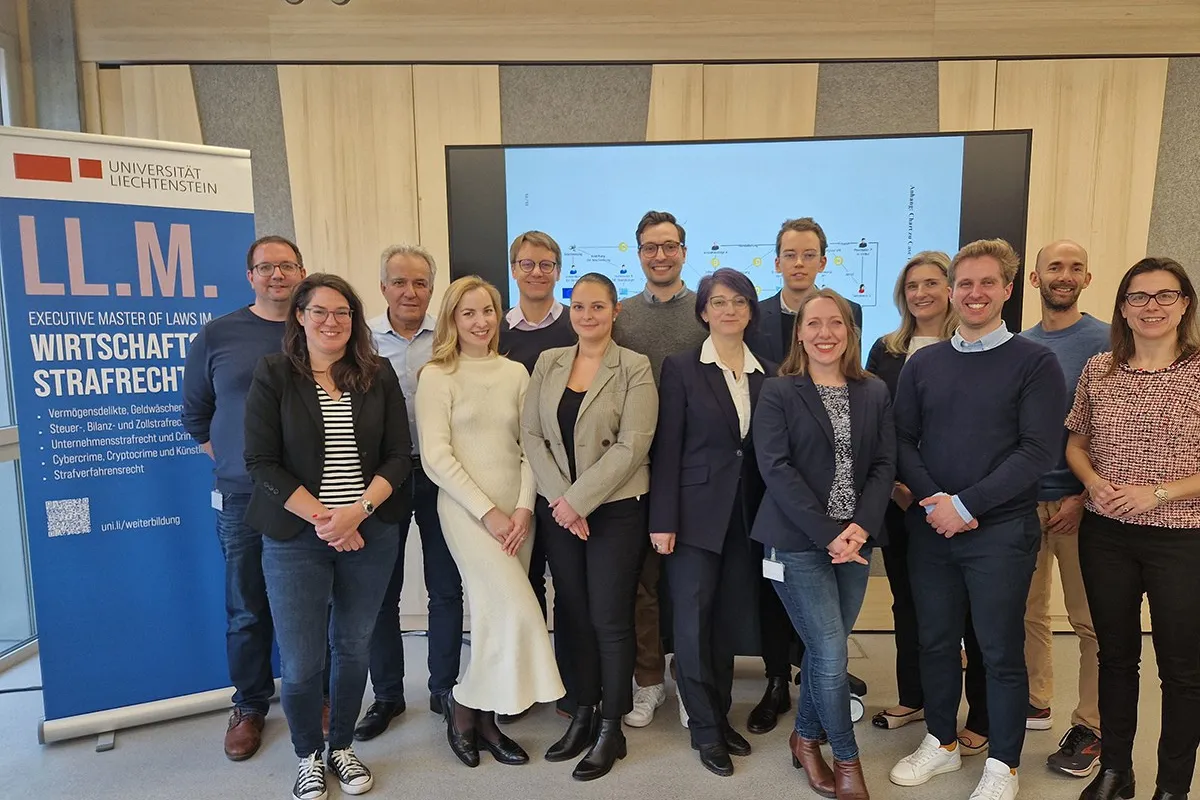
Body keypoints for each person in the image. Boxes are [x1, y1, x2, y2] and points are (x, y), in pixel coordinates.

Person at [889, 239, 1065, 800]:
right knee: (936, 642)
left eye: (987, 283)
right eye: (964, 283)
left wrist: (965, 506)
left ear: (1008, 290)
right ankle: (940, 743)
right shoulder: (926, 362)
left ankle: (1003, 765)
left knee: (998, 650)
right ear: (951, 292)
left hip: (1001, 533)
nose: (975, 293)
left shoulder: (1035, 363)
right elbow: (901, 439)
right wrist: (936, 502)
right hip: (932, 528)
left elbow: (1036, 452)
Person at [243, 273, 412, 800]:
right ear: (300, 316)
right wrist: (327, 521)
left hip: (370, 531)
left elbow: (398, 456)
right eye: (320, 311)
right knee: (300, 657)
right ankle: (307, 755)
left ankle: (341, 746)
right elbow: (261, 463)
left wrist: (355, 515)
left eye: (342, 313)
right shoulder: (274, 373)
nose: (332, 322)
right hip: (295, 536)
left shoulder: (376, 373)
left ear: (355, 320)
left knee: (353, 645)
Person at [416, 275, 565, 768]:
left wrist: (523, 508)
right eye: (468, 313)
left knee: (493, 619)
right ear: (452, 320)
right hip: (466, 513)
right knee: (516, 608)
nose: (479, 322)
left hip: (517, 515)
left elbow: (530, 449)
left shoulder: (515, 373)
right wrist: (489, 512)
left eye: (486, 312)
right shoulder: (437, 374)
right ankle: (464, 705)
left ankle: (483, 720)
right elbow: (436, 457)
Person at [752, 289, 895, 800]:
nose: (825, 333)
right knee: (832, 654)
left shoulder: (873, 390)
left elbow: (883, 464)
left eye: (836, 323)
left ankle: (805, 739)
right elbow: (776, 469)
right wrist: (829, 532)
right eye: (814, 324)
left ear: (850, 332)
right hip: (796, 541)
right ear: (800, 333)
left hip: (856, 542)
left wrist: (858, 526)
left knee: (822, 649)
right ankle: (848, 759)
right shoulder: (779, 391)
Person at [1066, 257, 1200, 800]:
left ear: (1185, 304)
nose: (1152, 307)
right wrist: (1093, 482)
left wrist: (1157, 492)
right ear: (1122, 307)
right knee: (1116, 657)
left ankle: (1173, 786)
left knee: (1182, 668)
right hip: (1107, 536)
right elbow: (1075, 444)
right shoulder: (1099, 369)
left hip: (1182, 538)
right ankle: (1116, 772)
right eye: (1139, 297)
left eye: (1164, 296)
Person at [523, 272, 659, 781]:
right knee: (574, 613)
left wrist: (578, 501)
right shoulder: (548, 361)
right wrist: (563, 502)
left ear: (614, 311)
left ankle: (611, 726)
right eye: (578, 306)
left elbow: (633, 444)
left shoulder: (634, 366)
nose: (587, 315)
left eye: (597, 307)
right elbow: (531, 434)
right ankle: (581, 711)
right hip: (560, 510)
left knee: (609, 617)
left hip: (617, 509)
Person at [182, 234, 307, 761]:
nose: (277, 275)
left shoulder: (318, 328)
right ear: (250, 275)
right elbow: (197, 415)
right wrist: (237, 462)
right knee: (246, 608)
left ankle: (313, 697)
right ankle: (251, 704)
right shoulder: (217, 335)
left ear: (302, 272)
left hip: (310, 498)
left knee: (311, 606)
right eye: (266, 267)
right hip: (241, 499)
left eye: (287, 266)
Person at [745, 216, 865, 733]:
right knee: (779, 586)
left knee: (826, 626)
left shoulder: (846, 310)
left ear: (822, 259)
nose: (799, 262)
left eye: (808, 253)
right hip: (775, 472)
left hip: (836, 478)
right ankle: (777, 678)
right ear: (777, 262)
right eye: (789, 254)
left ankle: (816, 679)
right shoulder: (756, 317)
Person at [649, 268, 770, 777]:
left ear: (750, 311)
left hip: (747, 516)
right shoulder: (682, 367)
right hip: (693, 516)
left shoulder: (768, 373)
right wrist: (663, 519)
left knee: (726, 623)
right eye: (719, 302)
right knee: (693, 626)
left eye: (739, 302)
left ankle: (719, 717)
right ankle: (703, 730)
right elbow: (667, 448)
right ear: (703, 311)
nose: (728, 310)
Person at [356, 244, 465, 741]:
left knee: (445, 587)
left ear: (432, 288)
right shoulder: (360, 341)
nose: (410, 291)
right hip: (381, 478)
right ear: (383, 288)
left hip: (442, 474)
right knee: (382, 591)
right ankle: (388, 696)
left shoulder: (449, 339)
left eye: (420, 282)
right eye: (399, 281)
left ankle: (443, 688)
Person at [611, 211, 707, 729]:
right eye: (651, 247)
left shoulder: (707, 311)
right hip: (637, 469)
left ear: (684, 252)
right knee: (643, 585)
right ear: (639, 252)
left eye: (670, 246)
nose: (661, 255)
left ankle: (690, 681)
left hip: (696, 470)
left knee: (692, 586)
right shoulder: (621, 316)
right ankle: (649, 682)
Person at [1020, 240, 1109, 777]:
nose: (1064, 275)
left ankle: (1092, 724)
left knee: (1088, 620)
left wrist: (1082, 495)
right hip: (1024, 503)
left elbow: (1113, 427)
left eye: (1076, 266)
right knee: (1026, 610)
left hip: (1083, 501)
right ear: (1034, 279)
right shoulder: (1020, 346)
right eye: (1055, 266)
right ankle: (1036, 697)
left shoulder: (1105, 342)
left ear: (1087, 278)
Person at [864, 251, 958, 734]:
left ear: (951, 288)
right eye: (912, 285)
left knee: (954, 605)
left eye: (931, 283)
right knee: (907, 599)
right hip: (902, 497)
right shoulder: (886, 348)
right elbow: (878, 422)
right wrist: (898, 486)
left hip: (960, 499)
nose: (921, 293)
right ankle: (912, 697)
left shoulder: (969, 344)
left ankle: (962, 708)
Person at [498, 231, 579, 721]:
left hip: (568, 480)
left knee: (568, 585)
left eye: (546, 264)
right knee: (520, 584)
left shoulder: (577, 325)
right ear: (513, 269)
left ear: (558, 270)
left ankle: (568, 683)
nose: (536, 272)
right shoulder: (495, 330)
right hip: (512, 480)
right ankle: (522, 681)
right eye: (527, 264)